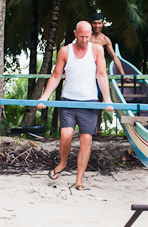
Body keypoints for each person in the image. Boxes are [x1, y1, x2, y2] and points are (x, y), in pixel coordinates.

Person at [37, 21, 115, 191]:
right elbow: (56, 76)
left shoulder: (97, 50)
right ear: (75, 33)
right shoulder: (65, 51)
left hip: (90, 102)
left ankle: (79, 180)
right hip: (68, 101)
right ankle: (63, 163)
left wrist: (107, 100)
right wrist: (44, 97)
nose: (85, 40)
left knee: (86, 140)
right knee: (66, 135)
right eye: (82, 36)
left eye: (88, 36)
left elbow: (101, 75)